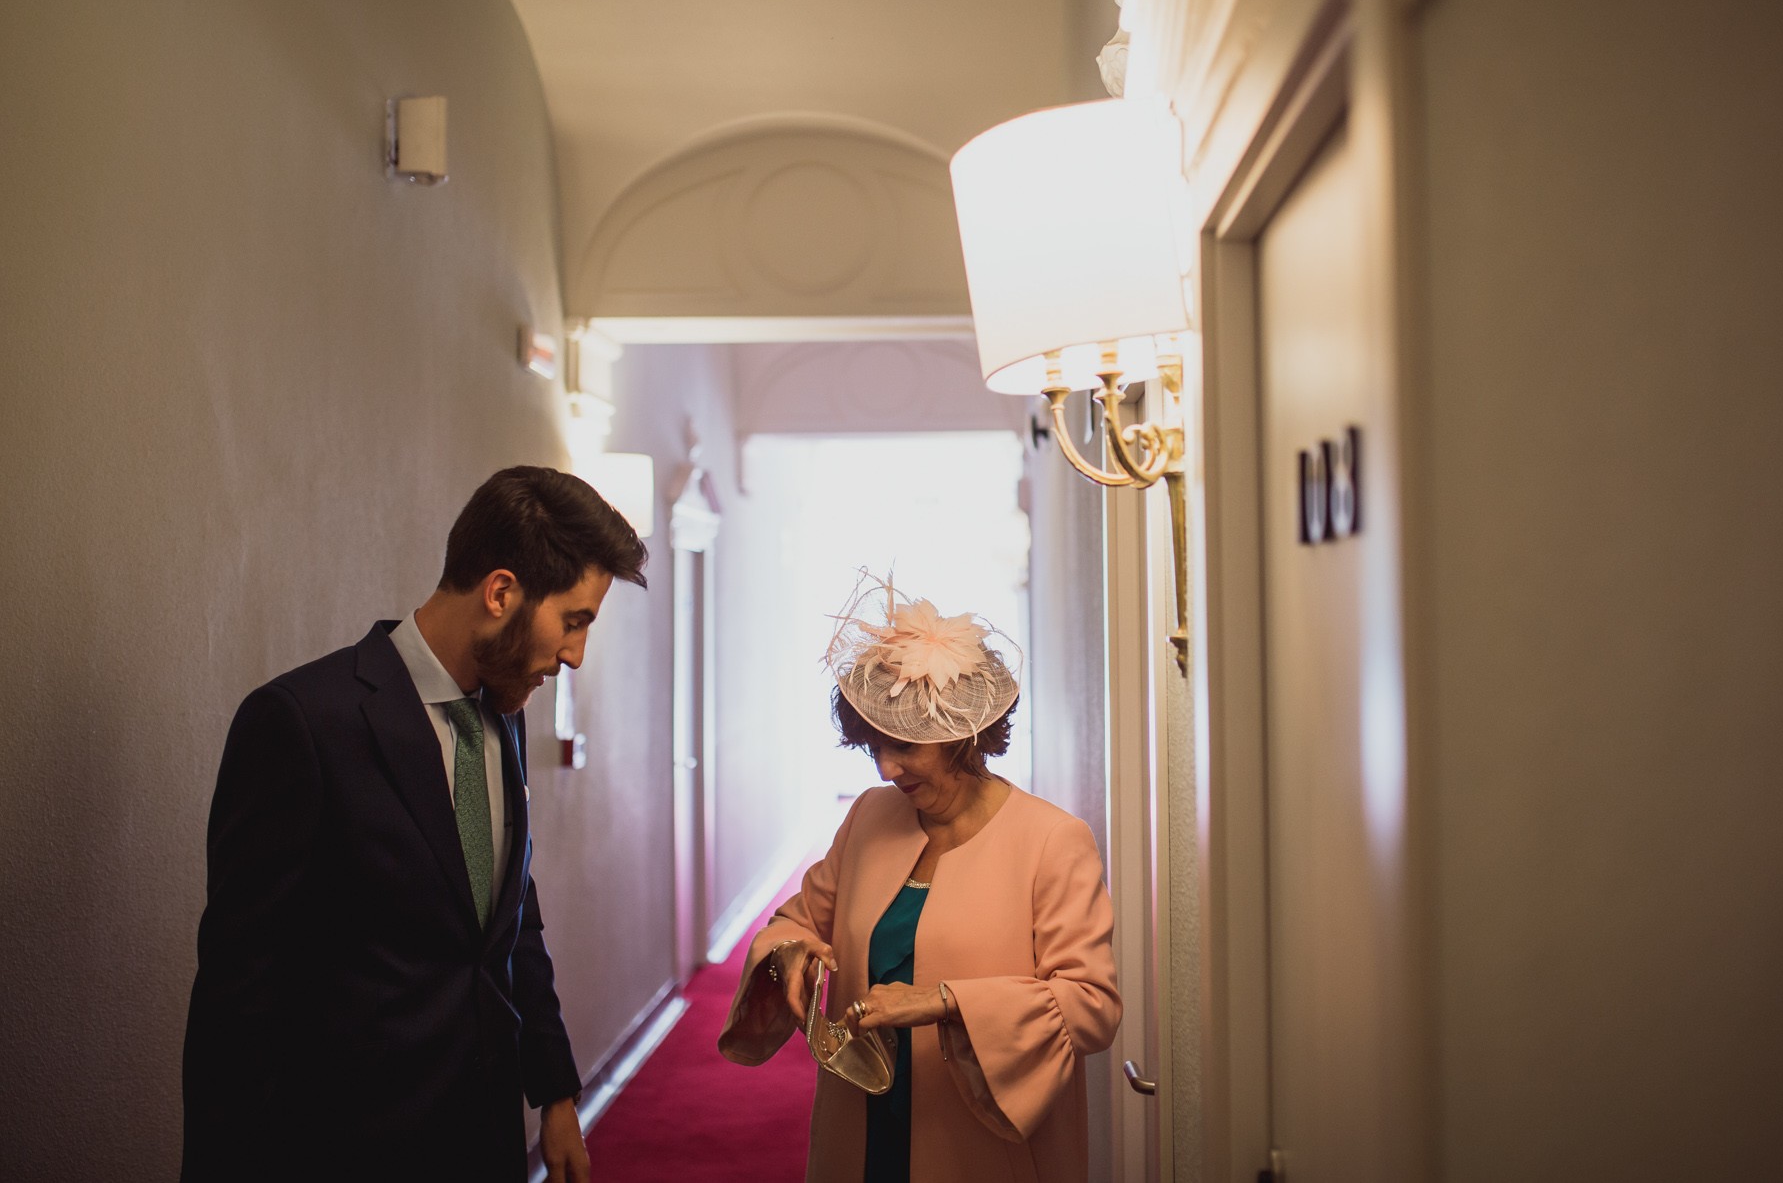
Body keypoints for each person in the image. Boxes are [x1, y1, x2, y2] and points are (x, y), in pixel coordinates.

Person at [182, 465, 647, 1183]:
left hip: (485, 1141)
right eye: (575, 619)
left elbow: (509, 919)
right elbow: (236, 997)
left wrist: (554, 1090)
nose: (576, 654)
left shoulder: (504, 718)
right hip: (346, 1149)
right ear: (501, 593)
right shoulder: (303, 723)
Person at [719, 576, 1120, 1183]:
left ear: (964, 735)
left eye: (905, 746)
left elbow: (1092, 1008)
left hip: (981, 1134)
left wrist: (944, 1002)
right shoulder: (869, 817)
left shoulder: (1052, 841)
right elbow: (797, 920)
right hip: (860, 1115)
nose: (886, 767)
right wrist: (791, 954)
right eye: (873, 745)